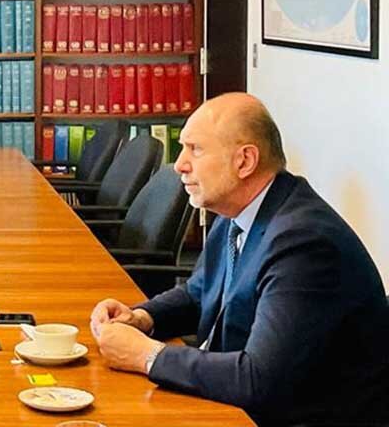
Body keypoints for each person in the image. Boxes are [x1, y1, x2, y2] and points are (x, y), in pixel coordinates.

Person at [90, 93, 389, 426]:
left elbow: (258, 380)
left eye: (195, 149)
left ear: (245, 161)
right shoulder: (239, 212)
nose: (179, 165)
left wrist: (146, 356)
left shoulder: (304, 244)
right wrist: (143, 318)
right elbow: (199, 292)